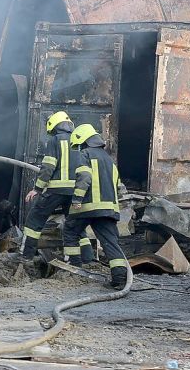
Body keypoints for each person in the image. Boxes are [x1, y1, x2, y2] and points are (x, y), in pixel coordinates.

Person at [21, 111, 94, 262]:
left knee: (35, 219)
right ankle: (88, 259)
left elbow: (48, 167)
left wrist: (37, 189)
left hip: (56, 190)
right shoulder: (79, 142)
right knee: (75, 225)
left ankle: (26, 255)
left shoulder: (55, 140)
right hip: (75, 193)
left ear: (54, 126)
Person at [64, 124, 130, 289]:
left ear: (83, 140)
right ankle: (120, 279)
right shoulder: (109, 160)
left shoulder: (84, 154)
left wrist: (77, 199)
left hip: (88, 207)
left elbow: (84, 177)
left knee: (71, 230)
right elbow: (118, 186)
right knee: (110, 242)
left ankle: (73, 268)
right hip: (109, 209)